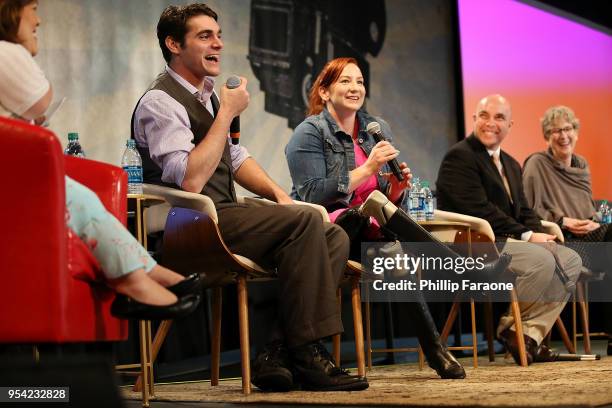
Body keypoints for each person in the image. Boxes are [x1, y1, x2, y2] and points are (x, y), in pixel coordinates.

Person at [132, 4, 368, 392]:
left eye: (218, 34)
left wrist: (279, 196)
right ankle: (307, 353)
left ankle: (275, 350)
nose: (218, 44)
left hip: (225, 215)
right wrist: (225, 114)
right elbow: (189, 179)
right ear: (174, 44)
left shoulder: (206, 96)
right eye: (204, 36)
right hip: (191, 224)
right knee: (310, 224)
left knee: (333, 235)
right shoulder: (161, 102)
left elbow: (235, 157)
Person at [285, 57, 486, 379]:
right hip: (330, 231)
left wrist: (396, 186)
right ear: (324, 91)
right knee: (388, 246)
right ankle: (437, 344)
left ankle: (436, 347)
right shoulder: (309, 132)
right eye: (345, 81)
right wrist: (367, 168)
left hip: (375, 229)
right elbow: (310, 195)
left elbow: (386, 198)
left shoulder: (375, 129)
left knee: (393, 252)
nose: (355, 88)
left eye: (360, 82)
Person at [0, 0, 201, 320]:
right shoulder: (5, 52)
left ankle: (146, 272)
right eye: (33, 8)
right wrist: (24, 50)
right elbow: (40, 100)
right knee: (78, 198)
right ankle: (134, 281)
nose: (38, 19)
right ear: (11, 12)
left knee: (81, 197)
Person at [436, 94, 583, 365]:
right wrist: (529, 236)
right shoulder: (459, 157)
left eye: (499, 117)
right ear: (474, 119)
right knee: (541, 259)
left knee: (570, 259)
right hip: (473, 246)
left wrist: (542, 234)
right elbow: (478, 210)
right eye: (484, 116)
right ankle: (512, 329)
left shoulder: (512, 165)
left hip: (506, 243)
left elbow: (525, 211)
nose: (490, 123)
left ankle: (524, 335)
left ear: (510, 125)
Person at [523, 105, 612, 354]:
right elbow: (529, 211)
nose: (563, 136)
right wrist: (563, 221)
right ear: (547, 136)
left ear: (576, 131)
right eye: (555, 131)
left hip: (591, 235)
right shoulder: (537, 164)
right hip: (562, 238)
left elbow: (587, 207)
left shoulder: (581, 163)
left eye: (568, 128)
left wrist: (596, 223)